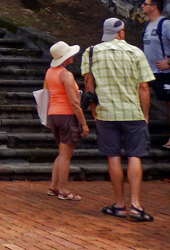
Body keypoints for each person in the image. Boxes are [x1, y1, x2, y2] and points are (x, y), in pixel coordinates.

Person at [81, 18, 155, 222]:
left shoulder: (92, 52)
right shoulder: (136, 52)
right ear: (121, 32)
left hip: (106, 113)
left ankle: (120, 204)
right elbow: (144, 87)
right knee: (135, 156)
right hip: (132, 112)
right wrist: (145, 114)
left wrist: (95, 112)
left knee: (113, 157)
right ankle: (136, 205)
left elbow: (89, 86)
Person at [44, 41, 88, 201]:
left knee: (61, 153)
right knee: (66, 155)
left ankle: (54, 186)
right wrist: (83, 122)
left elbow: (47, 92)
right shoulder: (65, 75)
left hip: (54, 113)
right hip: (66, 115)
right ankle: (63, 190)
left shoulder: (50, 72)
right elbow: (74, 102)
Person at [140, 0, 170, 150]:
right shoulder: (149, 25)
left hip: (164, 72)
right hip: (149, 72)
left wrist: (168, 62)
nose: (142, 6)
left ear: (154, 7)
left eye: (145, 4)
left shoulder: (165, 24)